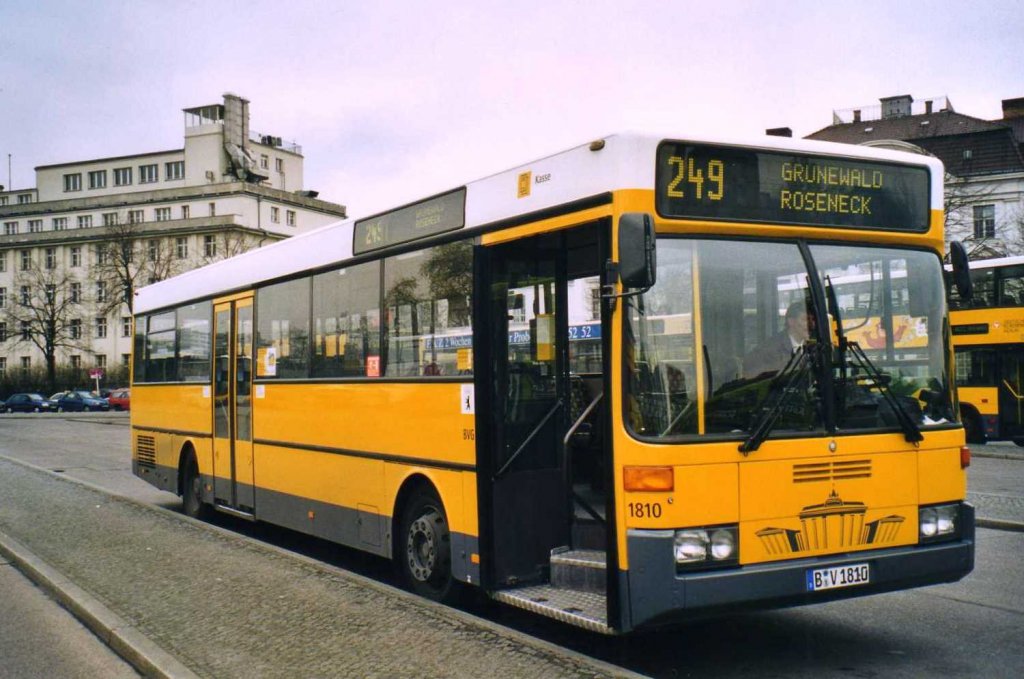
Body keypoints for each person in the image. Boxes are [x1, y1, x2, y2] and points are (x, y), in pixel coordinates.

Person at [743, 301, 813, 378]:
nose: (812, 325)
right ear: (791, 322)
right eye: (805, 320)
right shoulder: (770, 349)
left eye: (812, 319)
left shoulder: (811, 347)